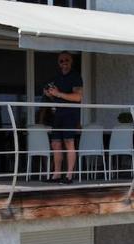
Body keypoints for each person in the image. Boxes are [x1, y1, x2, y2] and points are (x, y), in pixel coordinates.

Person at [43, 52, 84, 184]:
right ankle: (57, 174)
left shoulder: (76, 76)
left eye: (66, 60)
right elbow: (54, 96)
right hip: (58, 114)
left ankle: (69, 175)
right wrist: (50, 94)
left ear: (71, 61)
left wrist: (58, 94)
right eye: (61, 61)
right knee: (55, 143)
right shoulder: (56, 77)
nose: (64, 62)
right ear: (58, 63)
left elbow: (78, 97)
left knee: (69, 142)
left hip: (70, 114)